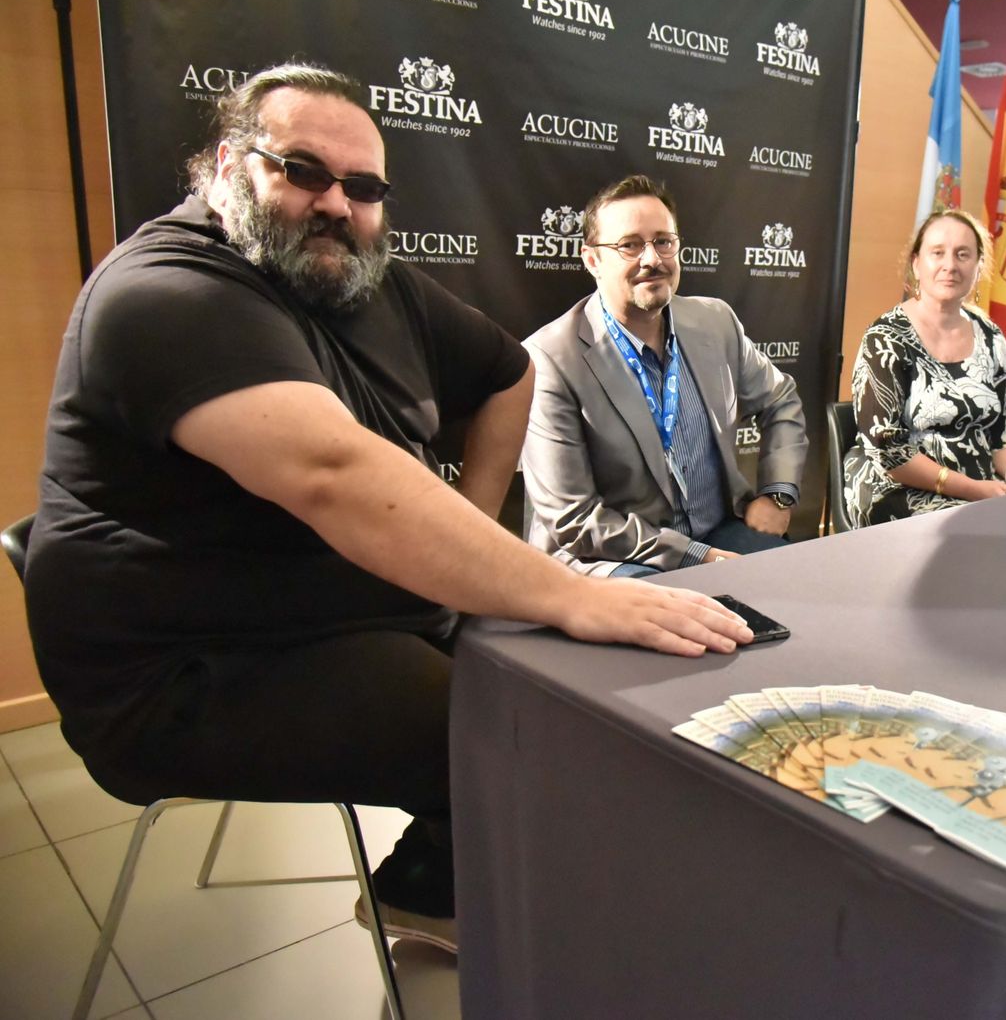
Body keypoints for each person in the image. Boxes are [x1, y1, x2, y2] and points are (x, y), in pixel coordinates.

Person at [23, 63, 750, 954]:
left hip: (337, 613)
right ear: (226, 164)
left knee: (566, 688)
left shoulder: (356, 274)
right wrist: (574, 594)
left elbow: (505, 375)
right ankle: (472, 902)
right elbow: (335, 472)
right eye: (301, 170)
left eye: (363, 187)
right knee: (528, 729)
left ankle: (436, 873)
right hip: (190, 667)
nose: (336, 203)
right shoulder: (163, 295)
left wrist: (476, 547)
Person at [524, 174, 807, 576]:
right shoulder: (551, 359)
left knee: (797, 586)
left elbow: (781, 401)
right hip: (613, 555)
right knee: (679, 626)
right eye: (630, 245)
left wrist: (778, 495)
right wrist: (696, 556)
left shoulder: (715, 321)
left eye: (663, 241)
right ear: (592, 260)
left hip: (720, 530)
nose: (652, 259)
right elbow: (575, 519)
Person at [846, 208, 1006, 525]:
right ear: (916, 264)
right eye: (938, 253)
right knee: (987, 533)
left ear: (978, 268)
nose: (950, 265)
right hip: (896, 488)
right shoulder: (885, 339)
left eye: (963, 254)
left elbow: (1005, 438)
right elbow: (889, 451)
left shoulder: (992, 338)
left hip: (983, 489)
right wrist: (973, 490)